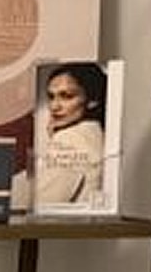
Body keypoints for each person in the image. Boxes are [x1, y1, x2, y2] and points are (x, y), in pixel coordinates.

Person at [32, 61, 108, 207]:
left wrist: (57, 139)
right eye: (51, 97)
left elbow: (44, 203)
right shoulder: (96, 134)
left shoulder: (69, 139)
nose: (54, 106)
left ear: (93, 100)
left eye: (67, 96)